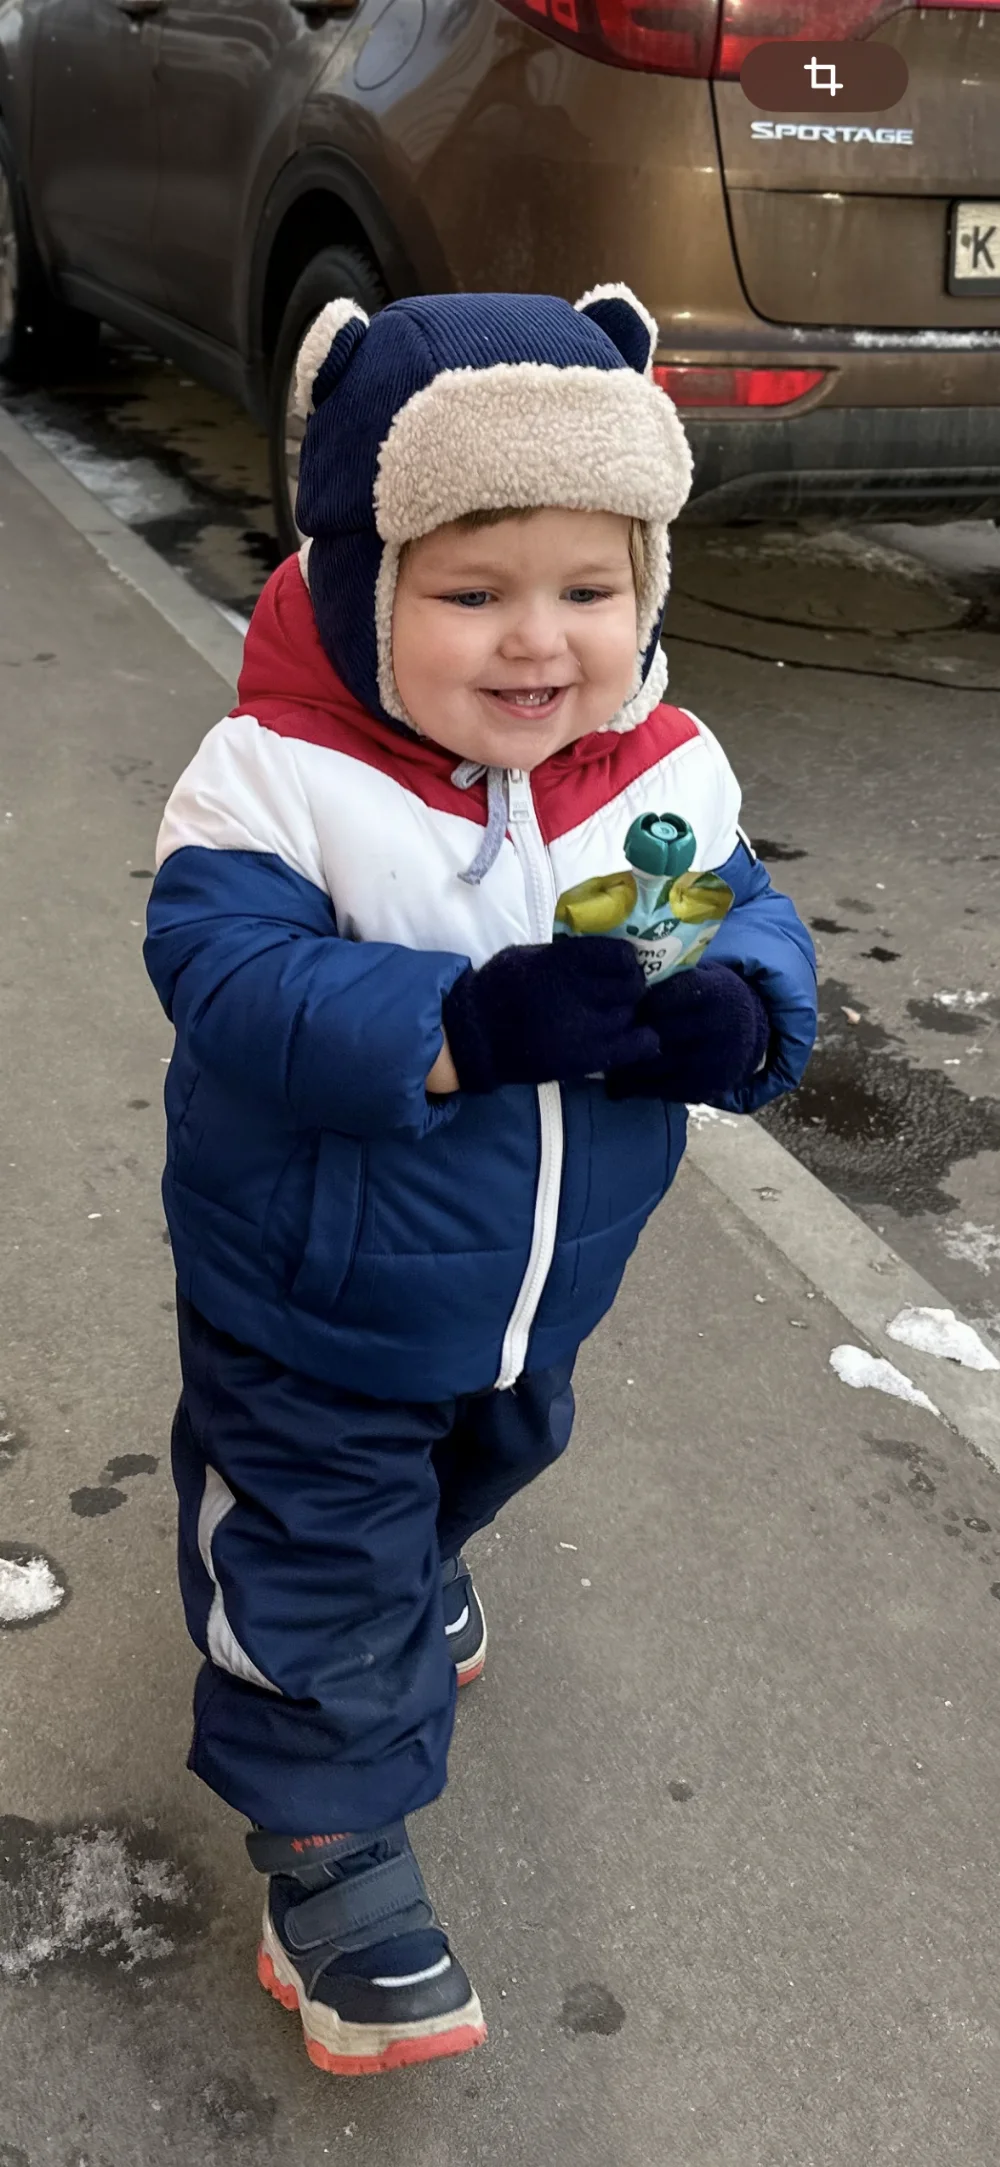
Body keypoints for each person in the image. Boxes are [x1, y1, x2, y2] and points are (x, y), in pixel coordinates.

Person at [144, 283, 816, 2077]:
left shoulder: (657, 767)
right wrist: (458, 1026)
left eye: (590, 589)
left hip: (531, 1296)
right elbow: (229, 974)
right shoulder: (280, 777)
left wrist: (736, 1009)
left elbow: (737, 909)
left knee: (484, 1462)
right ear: (364, 580)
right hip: (311, 1295)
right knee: (317, 1559)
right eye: (471, 594)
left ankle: (413, 1572)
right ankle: (332, 1859)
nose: (539, 643)